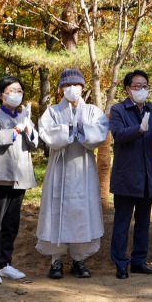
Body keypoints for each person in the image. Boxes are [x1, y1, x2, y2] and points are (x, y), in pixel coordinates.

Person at [36, 68, 109, 279]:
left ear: (83, 87)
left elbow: (99, 134)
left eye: (76, 85)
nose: (71, 89)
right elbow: (47, 135)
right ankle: (55, 260)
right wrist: (66, 128)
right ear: (60, 89)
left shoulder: (93, 111)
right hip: (59, 168)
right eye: (66, 85)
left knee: (82, 211)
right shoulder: (52, 112)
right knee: (55, 211)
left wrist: (82, 127)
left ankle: (79, 260)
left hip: (84, 168)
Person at [109, 70, 152, 279]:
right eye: (137, 86)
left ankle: (139, 261)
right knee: (122, 222)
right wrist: (140, 129)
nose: (141, 90)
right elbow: (117, 135)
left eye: (145, 86)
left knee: (143, 222)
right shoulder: (118, 109)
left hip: (148, 176)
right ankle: (120, 263)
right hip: (127, 176)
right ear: (127, 89)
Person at [0, 76, 39, 284]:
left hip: (20, 177)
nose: (16, 94)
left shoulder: (24, 115)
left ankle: (5, 264)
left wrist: (28, 127)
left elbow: (35, 143)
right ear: (1, 95)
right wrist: (16, 129)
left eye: (19, 91)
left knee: (11, 224)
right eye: (12, 90)